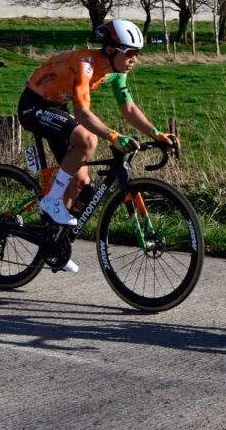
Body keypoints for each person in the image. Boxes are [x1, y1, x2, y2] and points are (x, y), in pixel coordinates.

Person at [19, 18, 178, 273]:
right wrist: (114, 137)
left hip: (57, 107)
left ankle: (54, 242)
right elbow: (82, 114)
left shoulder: (116, 72)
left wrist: (157, 133)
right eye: (130, 53)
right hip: (34, 105)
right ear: (110, 50)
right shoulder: (85, 65)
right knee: (87, 139)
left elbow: (128, 108)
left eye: (137, 53)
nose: (134, 59)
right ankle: (51, 202)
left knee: (81, 183)